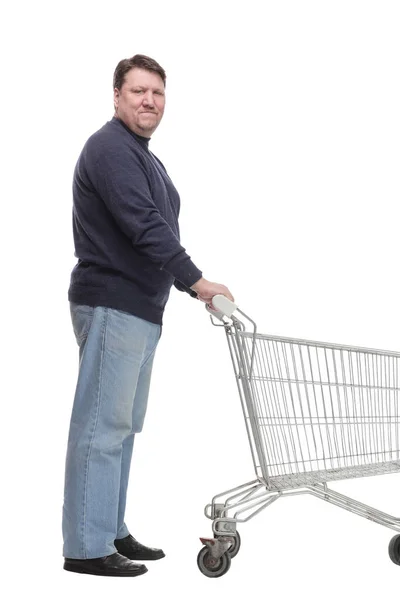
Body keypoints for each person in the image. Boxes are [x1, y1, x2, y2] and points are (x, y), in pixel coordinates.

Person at [62, 54, 234, 577]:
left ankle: (110, 530)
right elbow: (144, 225)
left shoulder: (141, 155)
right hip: (113, 301)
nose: (148, 101)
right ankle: (87, 548)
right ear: (116, 96)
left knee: (122, 427)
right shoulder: (111, 148)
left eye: (157, 93)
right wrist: (196, 281)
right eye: (138, 91)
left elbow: (153, 225)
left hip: (139, 308)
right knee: (102, 426)